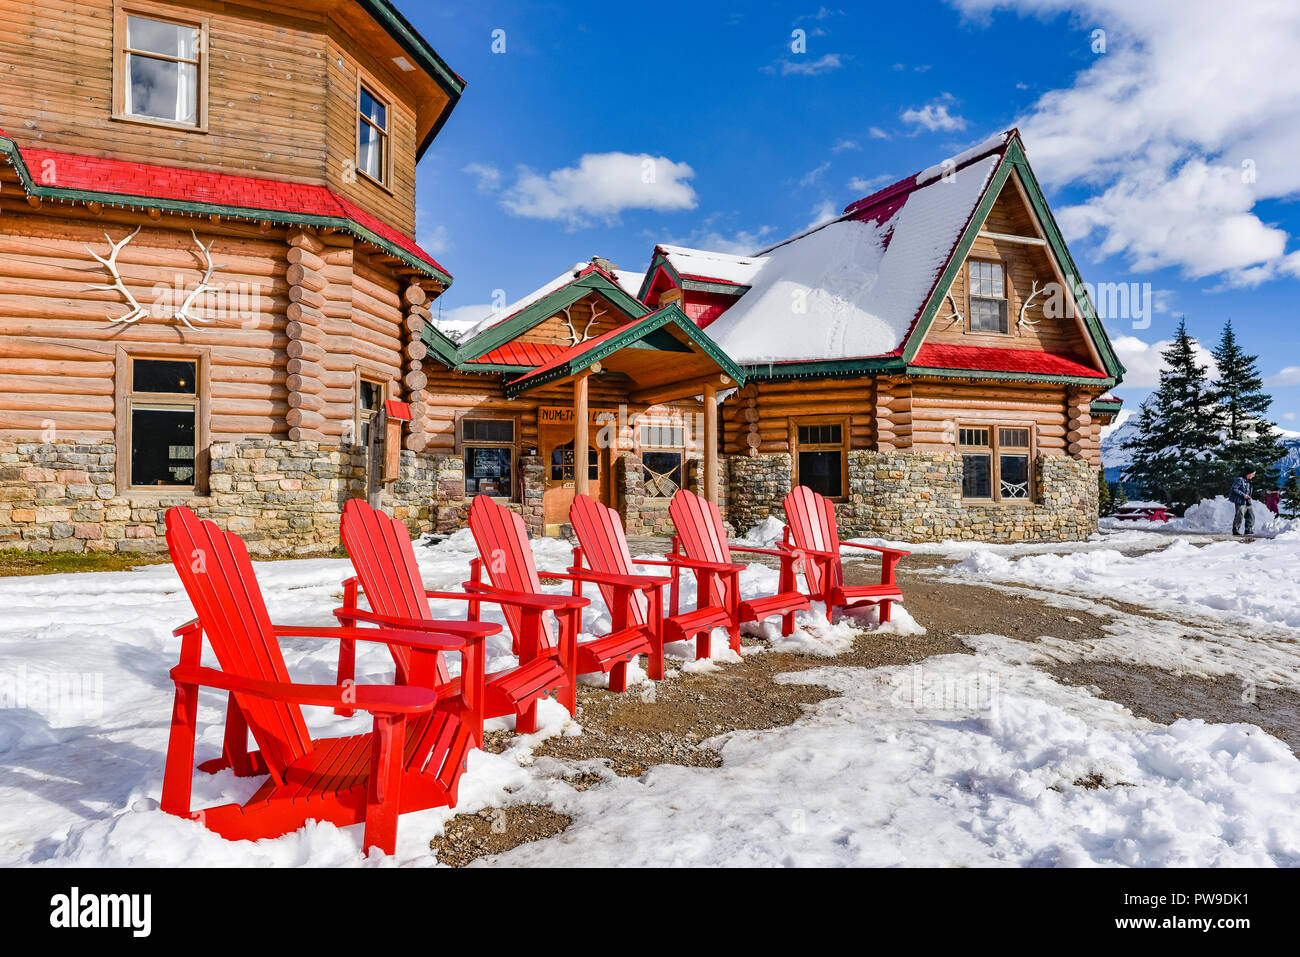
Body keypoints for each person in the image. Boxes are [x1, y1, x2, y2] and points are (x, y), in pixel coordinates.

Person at [1230, 466, 1256, 536]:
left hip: (1247, 501)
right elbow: (1234, 489)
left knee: (1251, 516)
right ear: (1248, 473)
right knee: (1239, 516)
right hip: (1240, 501)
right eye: (1253, 474)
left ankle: (1248, 530)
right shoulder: (1240, 479)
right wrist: (1243, 495)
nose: (1254, 475)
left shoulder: (1248, 481)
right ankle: (1235, 530)